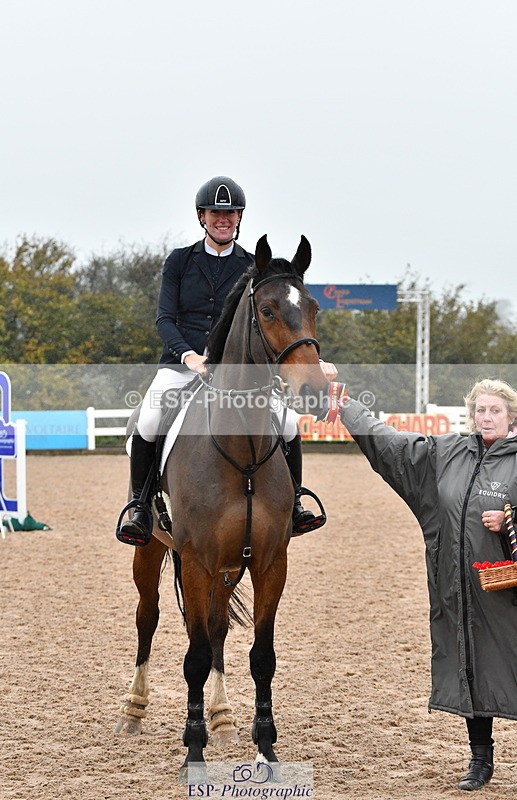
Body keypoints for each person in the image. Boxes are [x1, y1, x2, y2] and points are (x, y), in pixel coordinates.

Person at [117, 175, 332, 546]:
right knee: (148, 420)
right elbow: (165, 319)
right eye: (215, 213)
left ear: (239, 218)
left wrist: (313, 360)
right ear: (202, 217)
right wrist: (189, 355)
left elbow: (279, 320)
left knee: (287, 422)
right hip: (180, 364)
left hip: (235, 372)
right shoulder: (180, 261)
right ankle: (140, 505)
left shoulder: (254, 267)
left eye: (230, 213)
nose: (223, 219)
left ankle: (296, 501)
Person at [338, 378, 517, 792]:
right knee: (471, 664)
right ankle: (480, 759)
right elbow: (391, 444)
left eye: (495, 411)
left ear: (511, 417)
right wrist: (346, 406)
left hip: (507, 593)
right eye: (480, 410)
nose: (486, 417)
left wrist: (511, 518)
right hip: (462, 588)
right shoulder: (447, 452)